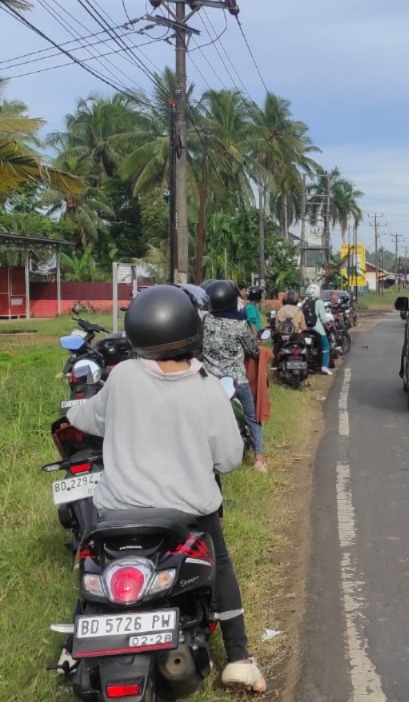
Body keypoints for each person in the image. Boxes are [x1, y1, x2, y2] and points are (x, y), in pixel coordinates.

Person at [66, 285, 267, 692]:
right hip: (189, 514)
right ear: (193, 333)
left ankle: (74, 646)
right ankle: (239, 658)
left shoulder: (121, 379)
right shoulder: (207, 388)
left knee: (93, 566)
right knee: (221, 564)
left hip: (117, 514)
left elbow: (89, 418)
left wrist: (72, 407)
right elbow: (228, 458)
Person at [202, 281, 267, 473]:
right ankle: (259, 459)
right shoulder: (239, 325)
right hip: (237, 379)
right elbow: (253, 350)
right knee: (251, 416)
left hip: (209, 379)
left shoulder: (205, 322)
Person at [304, 283, 333, 375]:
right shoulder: (319, 302)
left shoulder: (305, 302)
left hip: (305, 328)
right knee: (326, 347)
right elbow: (323, 319)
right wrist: (327, 324)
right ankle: (324, 367)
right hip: (317, 328)